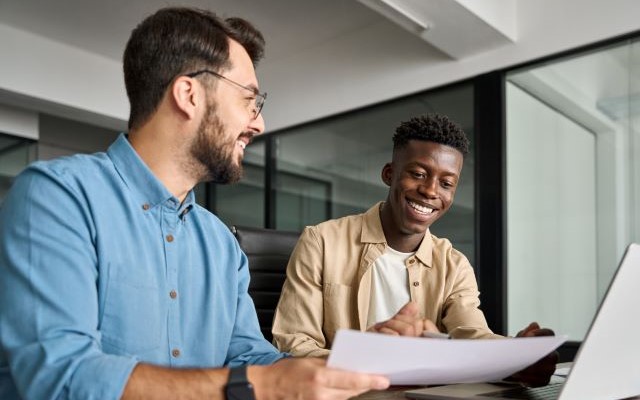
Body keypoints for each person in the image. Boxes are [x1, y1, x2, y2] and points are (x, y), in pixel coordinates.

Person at [0, 7, 390, 400]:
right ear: (189, 94)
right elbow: (62, 378)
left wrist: (349, 364)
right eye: (248, 100)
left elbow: (248, 357)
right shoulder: (58, 196)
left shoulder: (220, 243)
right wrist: (262, 385)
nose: (258, 124)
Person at [272, 113, 558, 387]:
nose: (431, 191)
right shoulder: (321, 242)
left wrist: (516, 356)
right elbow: (293, 345)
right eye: (419, 174)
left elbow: (471, 334)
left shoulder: (454, 265)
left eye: (446, 183)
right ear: (389, 174)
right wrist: (365, 360)